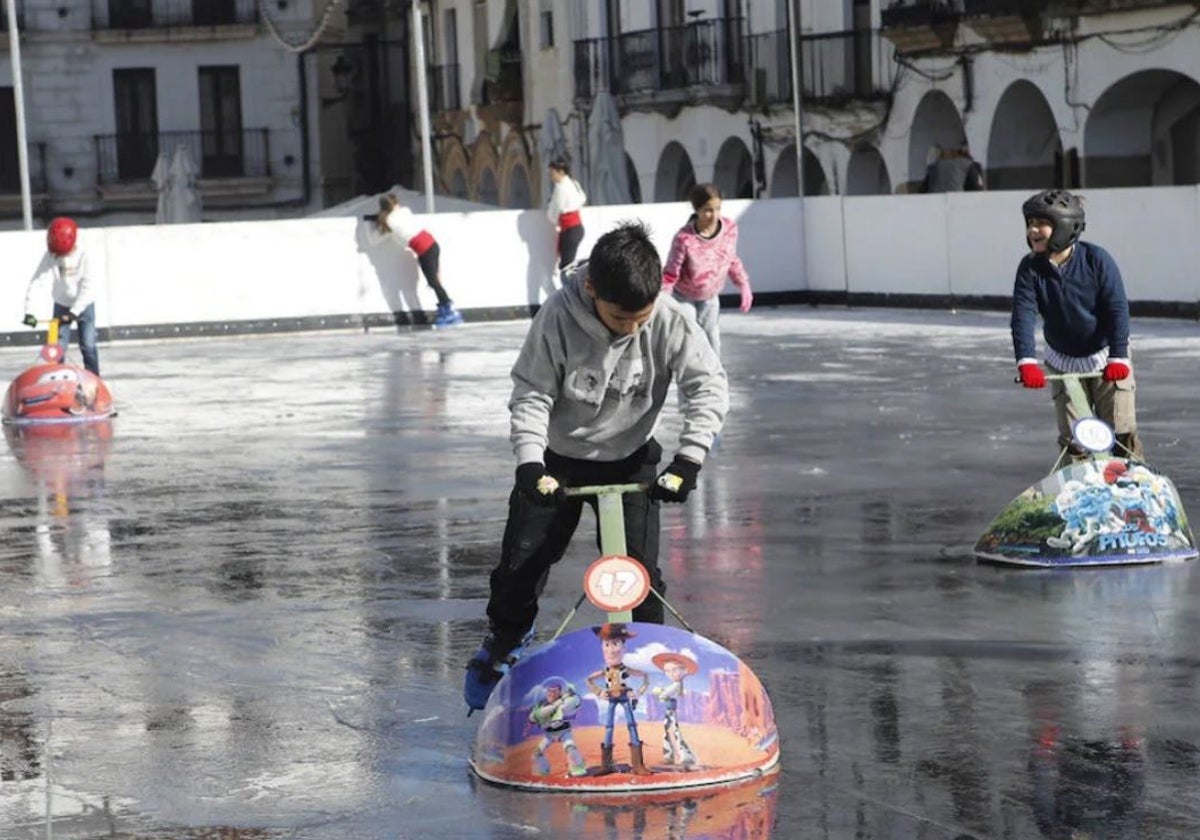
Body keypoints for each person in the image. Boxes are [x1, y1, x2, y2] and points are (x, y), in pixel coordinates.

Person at [463, 220, 729, 712]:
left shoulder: (669, 320)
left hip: (630, 462)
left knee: (639, 576)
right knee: (521, 567)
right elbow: (532, 392)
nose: (631, 328)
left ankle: (647, 666)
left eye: (641, 317)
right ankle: (503, 643)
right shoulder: (557, 318)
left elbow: (707, 386)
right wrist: (529, 463)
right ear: (591, 288)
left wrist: (688, 459)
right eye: (619, 316)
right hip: (556, 465)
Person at [1010, 189, 1143, 462]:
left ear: (1065, 226)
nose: (1032, 230)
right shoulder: (1030, 268)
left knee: (1121, 431)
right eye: (1029, 223)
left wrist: (1118, 355)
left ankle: (1135, 485)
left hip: (1106, 358)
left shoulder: (1097, 260)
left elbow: (1117, 309)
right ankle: (1078, 490)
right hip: (1064, 363)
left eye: (1041, 223)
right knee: (1075, 439)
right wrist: (1025, 360)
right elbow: (1023, 313)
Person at [661, 183, 753, 360]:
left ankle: (714, 380)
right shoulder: (684, 238)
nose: (714, 215)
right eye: (707, 210)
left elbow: (731, 258)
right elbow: (671, 272)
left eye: (718, 208)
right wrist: (663, 297)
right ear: (697, 210)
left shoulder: (730, 229)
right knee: (689, 335)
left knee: (712, 340)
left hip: (710, 296)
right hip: (684, 296)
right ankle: (687, 381)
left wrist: (743, 284)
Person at [365, 193, 462, 328]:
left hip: (425, 250)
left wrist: (371, 221)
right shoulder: (405, 211)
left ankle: (450, 312)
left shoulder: (388, 222)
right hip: (431, 245)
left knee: (433, 282)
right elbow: (398, 215)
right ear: (395, 204)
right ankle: (446, 310)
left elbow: (374, 240)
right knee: (434, 282)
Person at [22, 217, 100, 375]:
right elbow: (37, 281)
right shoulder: (50, 256)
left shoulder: (84, 256)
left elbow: (88, 287)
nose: (59, 257)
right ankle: (57, 378)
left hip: (84, 306)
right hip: (61, 305)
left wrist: (74, 313)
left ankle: (94, 379)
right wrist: (29, 311)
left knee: (88, 345)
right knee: (57, 348)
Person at [545, 157, 587, 274]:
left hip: (569, 229)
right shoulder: (574, 183)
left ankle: (572, 289)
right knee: (568, 264)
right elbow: (582, 199)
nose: (551, 177)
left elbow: (554, 210)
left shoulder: (560, 189)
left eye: (552, 173)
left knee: (567, 266)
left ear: (561, 172)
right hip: (576, 228)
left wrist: (554, 218)